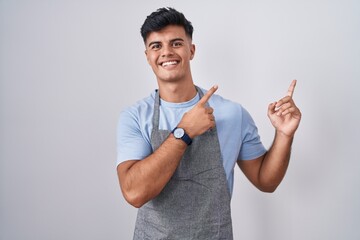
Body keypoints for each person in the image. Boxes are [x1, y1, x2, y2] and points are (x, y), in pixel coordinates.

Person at [116, 7, 301, 239]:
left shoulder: (232, 113)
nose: (166, 52)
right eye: (156, 46)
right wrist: (184, 132)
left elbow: (266, 180)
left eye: (176, 43)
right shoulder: (134, 116)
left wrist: (284, 135)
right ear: (147, 56)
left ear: (191, 50)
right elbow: (134, 192)